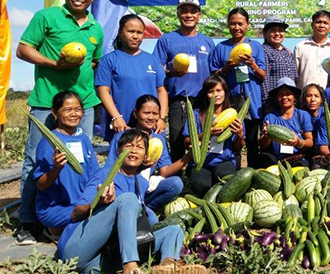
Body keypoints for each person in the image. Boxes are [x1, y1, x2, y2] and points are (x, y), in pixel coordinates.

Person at [16, 0, 104, 245]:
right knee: (35, 161)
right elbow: (22, 50)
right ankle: (28, 220)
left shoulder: (95, 28)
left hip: (84, 104)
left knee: (82, 161)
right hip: (47, 102)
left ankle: (72, 212)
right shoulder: (46, 17)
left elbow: (93, 62)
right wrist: (55, 65)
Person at [59, 129, 205, 274]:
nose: (134, 150)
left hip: (104, 260)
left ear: (146, 156)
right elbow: (75, 214)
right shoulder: (105, 174)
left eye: (140, 147)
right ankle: (130, 266)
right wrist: (100, 203)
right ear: (118, 150)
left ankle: (168, 264)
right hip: (78, 251)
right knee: (128, 199)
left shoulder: (140, 182)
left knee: (174, 230)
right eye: (129, 146)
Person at [153, 0, 215, 163]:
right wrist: (170, 71)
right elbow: (157, 70)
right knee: (177, 140)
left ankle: (199, 176)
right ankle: (178, 182)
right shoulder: (166, 40)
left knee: (203, 139)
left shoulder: (207, 42)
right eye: (184, 11)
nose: (189, 15)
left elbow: (214, 74)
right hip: (178, 101)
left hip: (203, 101)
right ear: (178, 14)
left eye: (193, 11)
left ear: (199, 15)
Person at [33, 91, 100, 243]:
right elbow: (41, 185)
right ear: (55, 113)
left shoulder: (83, 138)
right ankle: (55, 230)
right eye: (67, 110)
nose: (74, 114)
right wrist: (56, 168)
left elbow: (94, 173)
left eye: (77, 109)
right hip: (57, 209)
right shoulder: (48, 144)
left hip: (82, 202)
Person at [95, 14, 168, 142]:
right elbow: (103, 91)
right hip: (122, 126)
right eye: (131, 31)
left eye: (139, 32)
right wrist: (116, 117)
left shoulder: (153, 60)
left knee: (153, 160)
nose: (135, 36)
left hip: (151, 127)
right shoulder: (109, 60)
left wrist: (161, 118)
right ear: (120, 33)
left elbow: (161, 90)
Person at [105, 95, 183, 214]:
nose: (151, 117)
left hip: (144, 188)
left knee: (176, 184)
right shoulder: (122, 137)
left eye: (155, 113)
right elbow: (110, 168)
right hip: (123, 187)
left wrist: (190, 155)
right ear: (136, 113)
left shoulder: (159, 140)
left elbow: (165, 171)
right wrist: (139, 167)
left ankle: (146, 209)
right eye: (146, 113)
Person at [209, 8, 266, 168]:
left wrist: (252, 64)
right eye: (233, 23)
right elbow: (213, 76)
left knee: (253, 142)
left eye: (240, 23)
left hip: (252, 103)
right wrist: (226, 68)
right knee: (232, 138)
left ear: (247, 25)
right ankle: (233, 174)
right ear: (228, 25)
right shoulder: (221, 47)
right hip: (230, 103)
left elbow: (263, 75)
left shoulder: (255, 47)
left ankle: (254, 174)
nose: (236, 27)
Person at [183, 74, 243, 197]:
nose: (215, 95)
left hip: (223, 161)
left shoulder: (233, 116)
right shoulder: (196, 114)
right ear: (206, 94)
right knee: (201, 184)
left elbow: (237, 148)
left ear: (225, 92)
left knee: (227, 178)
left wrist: (240, 135)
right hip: (200, 162)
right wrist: (206, 134)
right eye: (211, 91)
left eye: (219, 90)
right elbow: (187, 142)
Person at [259, 78, 313, 167]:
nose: (284, 97)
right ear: (276, 98)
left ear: (294, 97)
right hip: (277, 161)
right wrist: (266, 136)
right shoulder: (270, 118)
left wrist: (299, 142)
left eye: (288, 94)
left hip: (298, 159)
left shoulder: (303, 115)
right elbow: (262, 146)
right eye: (280, 94)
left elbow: (310, 142)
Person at [294, 10, 330, 89]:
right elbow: (295, 74)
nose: (321, 25)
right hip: (304, 97)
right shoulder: (300, 47)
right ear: (312, 25)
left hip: (327, 98)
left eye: (325, 23)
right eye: (318, 22)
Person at [260, 17, 297, 115]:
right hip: (274, 106)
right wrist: (267, 106)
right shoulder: (263, 51)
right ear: (265, 33)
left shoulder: (288, 52)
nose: (277, 33)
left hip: (289, 106)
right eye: (273, 30)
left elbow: (294, 78)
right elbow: (264, 81)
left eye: (281, 30)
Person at [300, 83, 325, 164]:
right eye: (309, 96)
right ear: (304, 99)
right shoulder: (299, 115)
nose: (312, 99)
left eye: (316, 96)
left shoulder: (325, 114)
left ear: (321, 99)